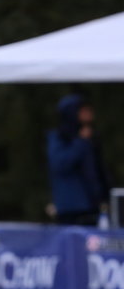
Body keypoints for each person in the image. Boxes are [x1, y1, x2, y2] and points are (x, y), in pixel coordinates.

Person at [46, 94, 111, 225]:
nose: (89, 114)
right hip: (72, 207)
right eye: (83, 111)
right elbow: (60, 164)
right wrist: (80, 142)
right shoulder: (60, 137)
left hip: (93, 204)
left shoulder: (91, 136)